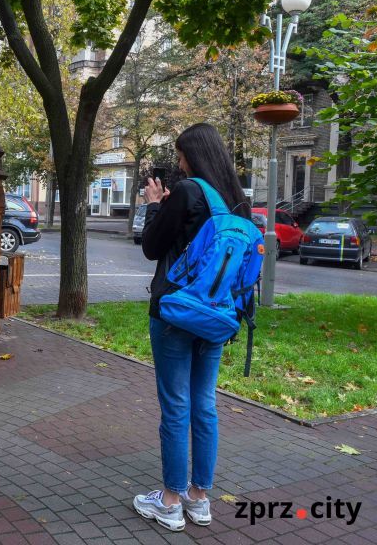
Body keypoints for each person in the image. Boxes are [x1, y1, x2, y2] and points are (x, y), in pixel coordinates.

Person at [134, 123, 251, 532]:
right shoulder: (236, 201)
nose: (179, 162)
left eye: (181, 155)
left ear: (194, 155)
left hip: (176, 314)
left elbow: (151, 246)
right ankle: (199, 499)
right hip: (218, 317)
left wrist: (155, 205)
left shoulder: (186, 191)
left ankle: (169, 500)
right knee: (204, 404)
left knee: (175, 406)